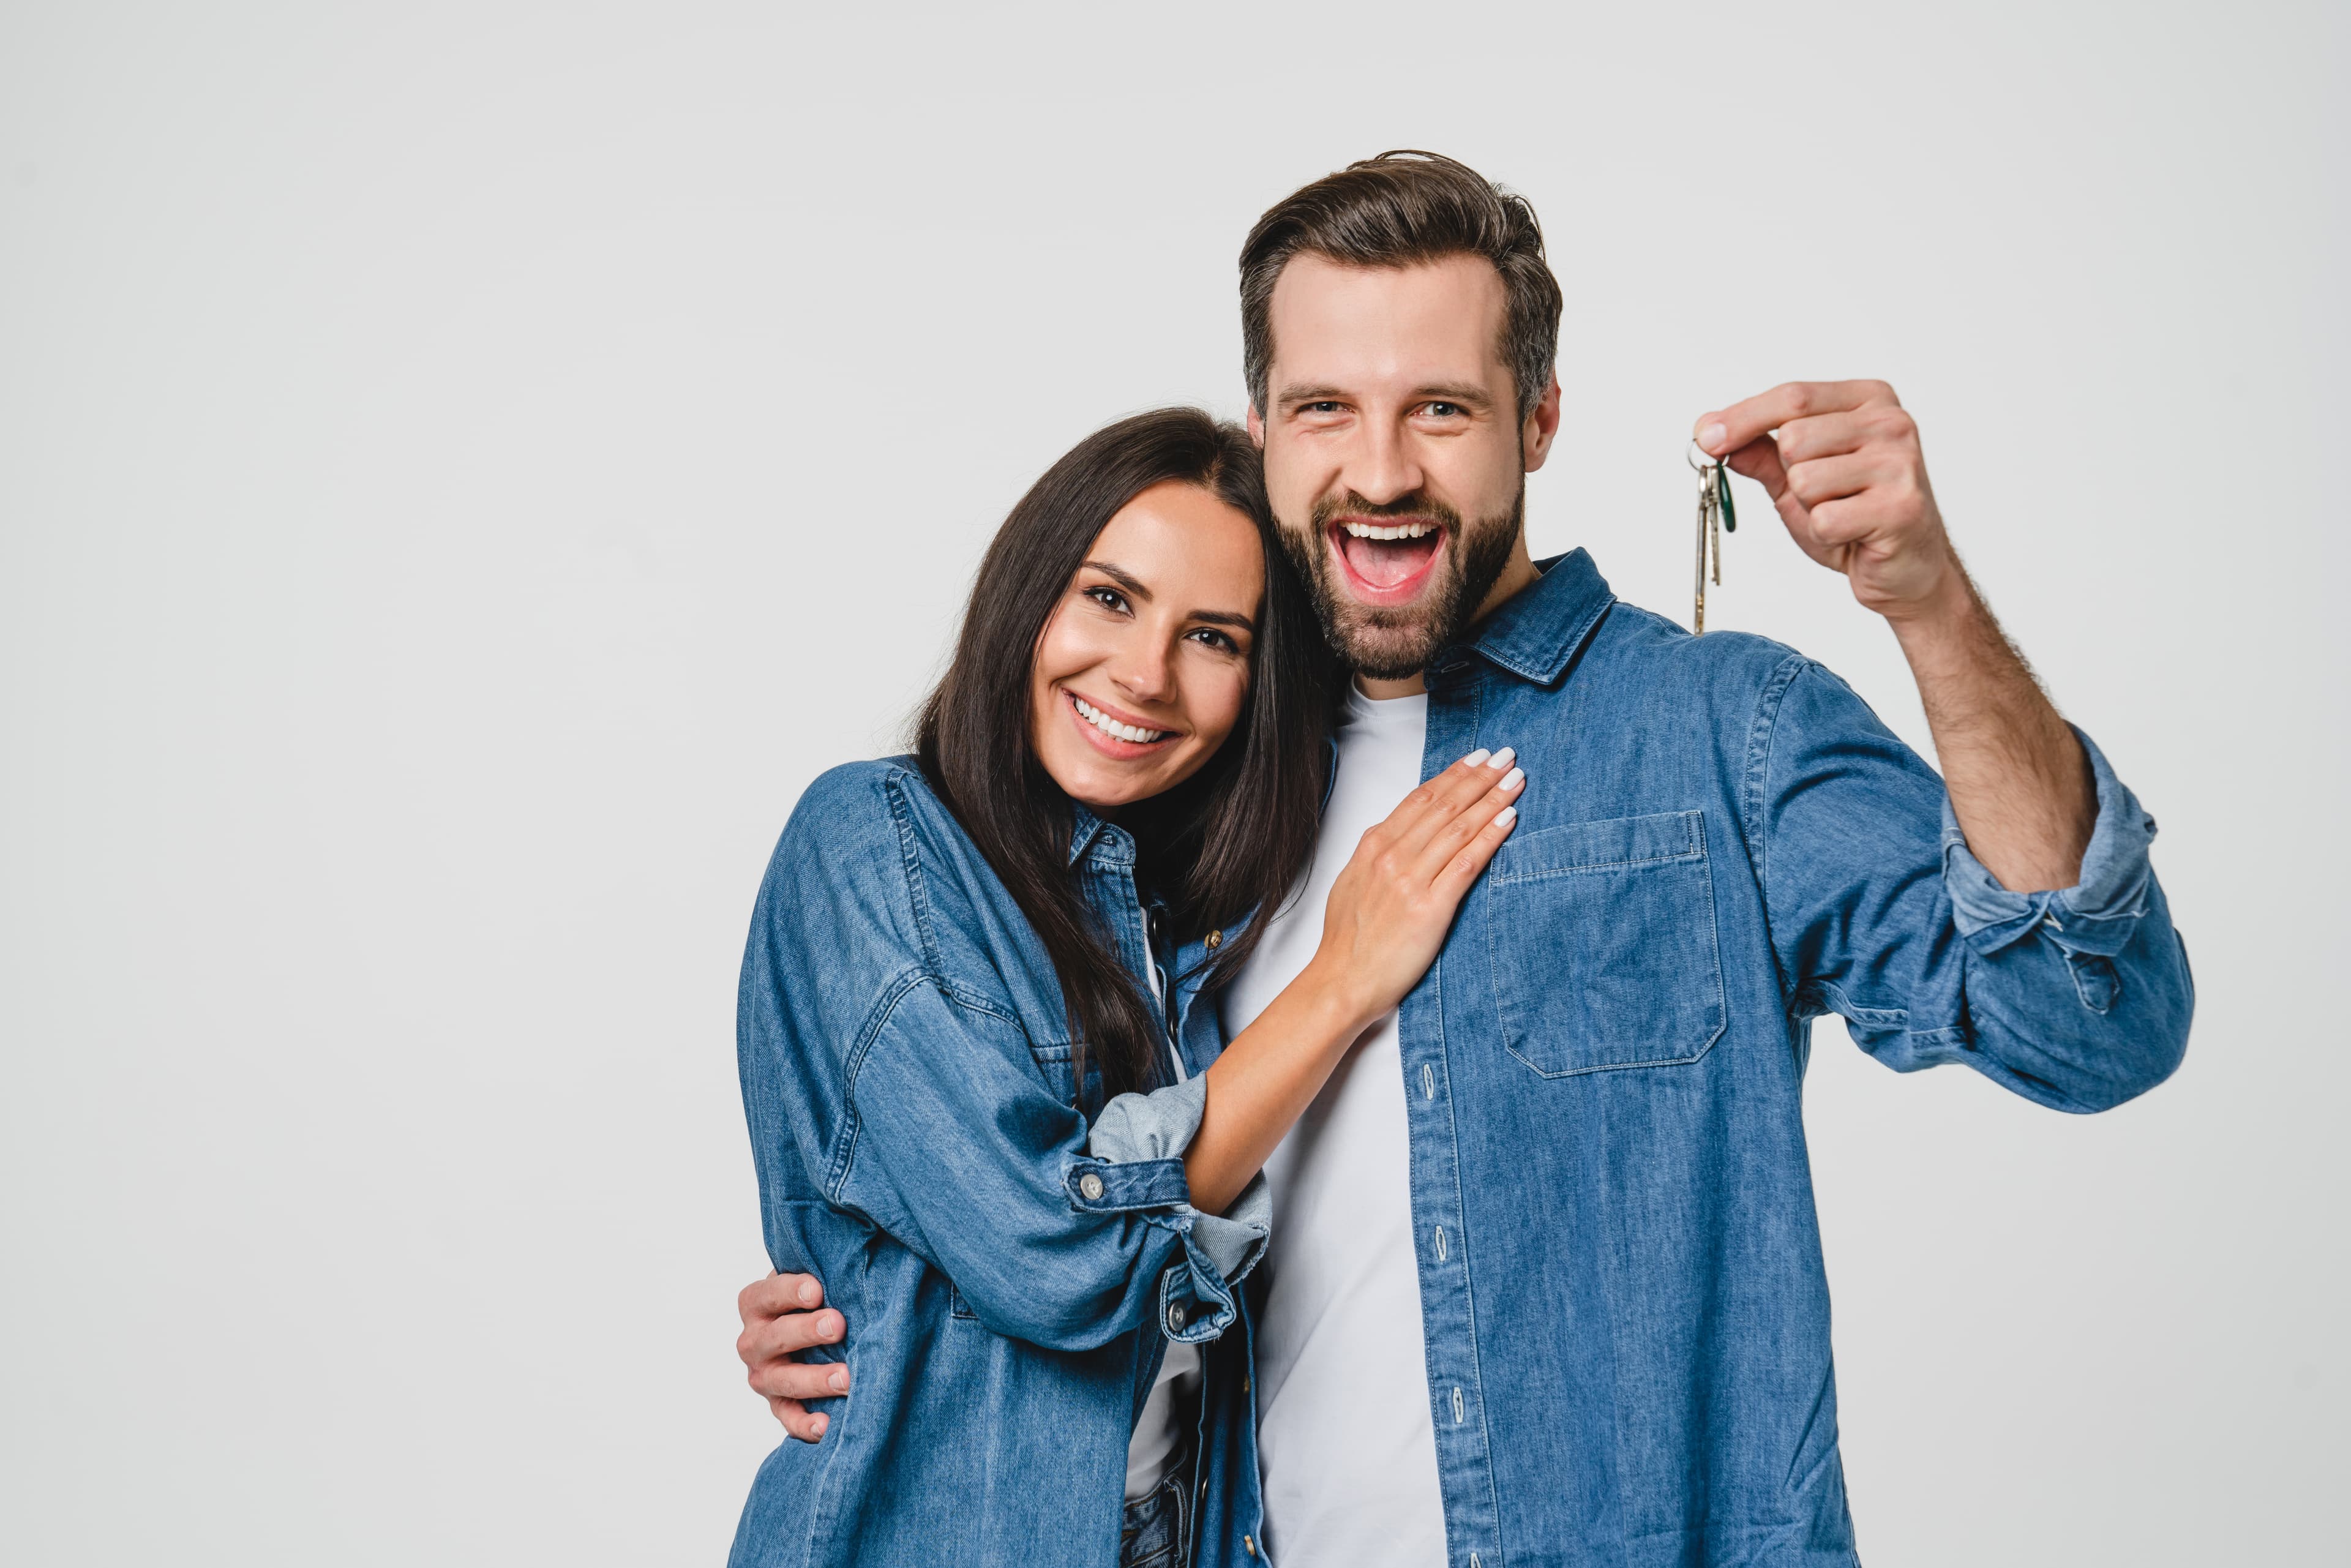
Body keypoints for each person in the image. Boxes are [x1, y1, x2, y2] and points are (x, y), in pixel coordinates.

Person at [740, 155, 2194, 1566]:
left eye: (1440, 408)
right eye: (1326, 408)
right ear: (1264, 427)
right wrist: (881, 1308)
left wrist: (1928, 602)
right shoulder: (1182, 772)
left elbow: (2088, 1023)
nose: (1381, 471)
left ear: (1540, 419)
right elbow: (1050, 1203)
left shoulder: (1712, 729)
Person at [727, 405, 1531, 1568]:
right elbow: (1051, 1250)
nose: (1145, 675)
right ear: (1028, 593)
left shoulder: (1182, 931)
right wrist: (1342, 980)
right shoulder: (870, 839)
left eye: (1214, 637)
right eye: (1109, 598)